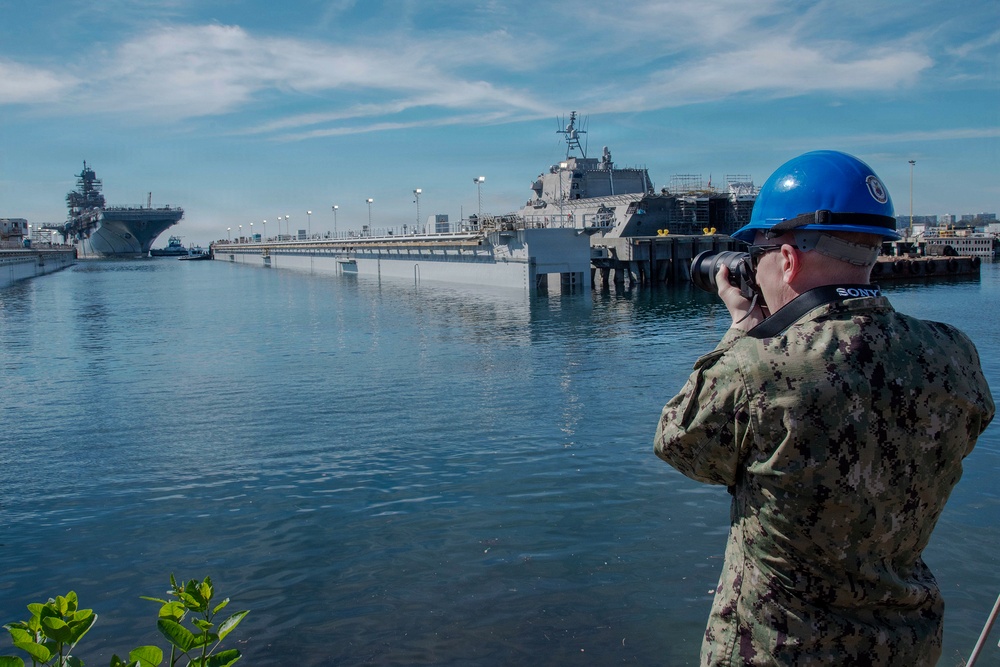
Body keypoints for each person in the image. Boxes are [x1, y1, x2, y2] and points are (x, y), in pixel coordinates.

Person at [654, 150, 995, 666]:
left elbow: (679, 444)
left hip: (778, 651)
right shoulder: (954, 355)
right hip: (906, 647)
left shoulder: (755, 367)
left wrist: (741, 331)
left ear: (787, 259)